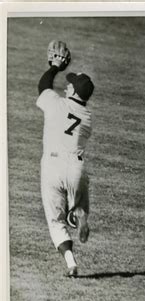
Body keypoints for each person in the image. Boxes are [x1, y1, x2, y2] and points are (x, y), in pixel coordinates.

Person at [36, 45, 95, 277]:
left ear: (73, 92)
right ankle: (78, 213)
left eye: (70, 84)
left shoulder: (56, 104)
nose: (67, 85)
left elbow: (43, 86)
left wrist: (55, 67)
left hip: (52, 167)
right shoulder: (87, 118)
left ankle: (71, 262)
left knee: (55, 220)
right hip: (76, 168)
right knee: (76, 209)